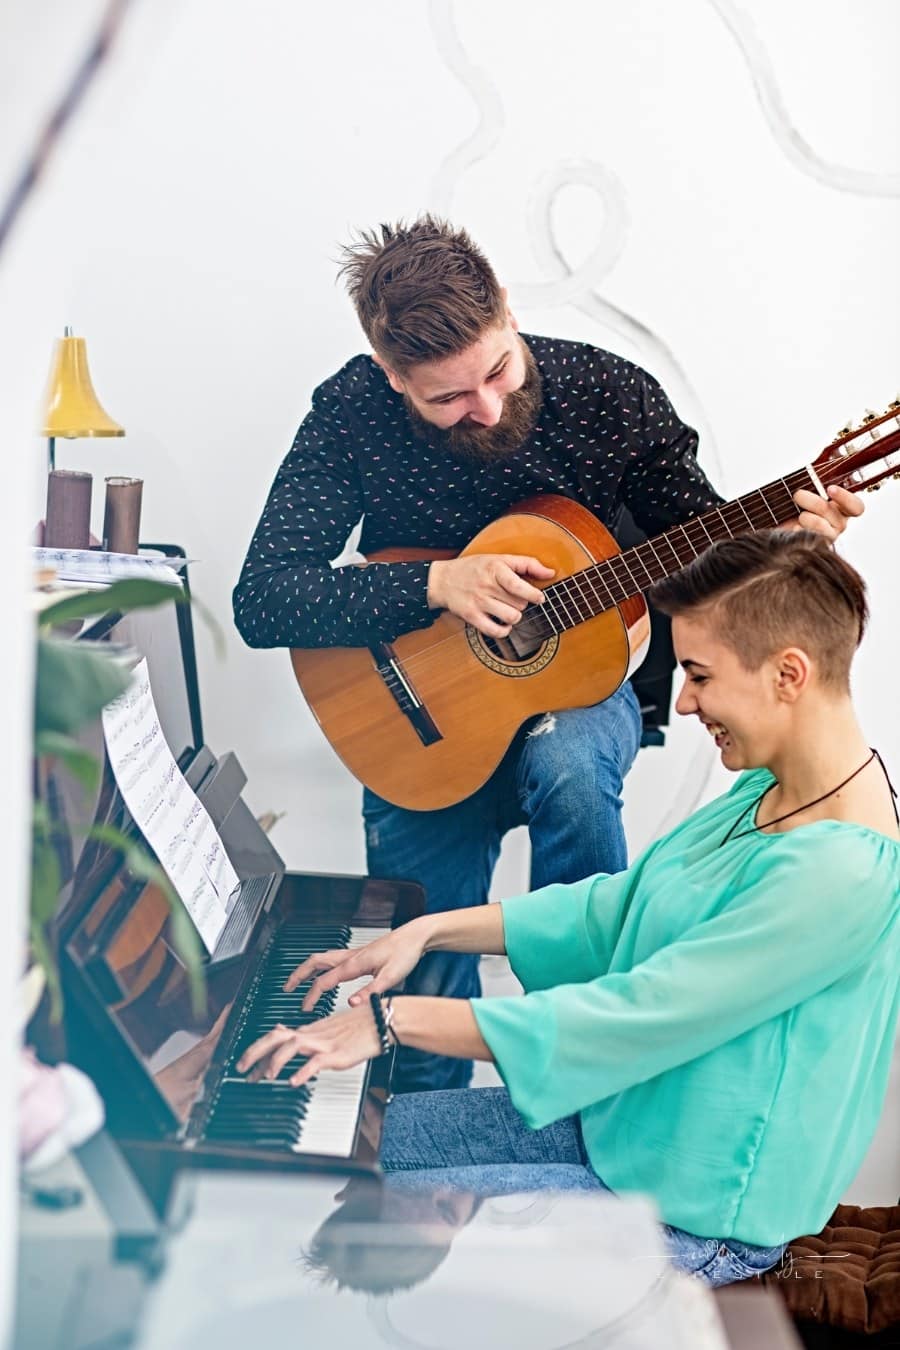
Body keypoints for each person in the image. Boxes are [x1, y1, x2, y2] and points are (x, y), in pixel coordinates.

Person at [233, 216, 862, 1093]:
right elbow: (264, 597)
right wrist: (436, 586)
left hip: (582, 691)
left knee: (567, 761)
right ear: (392, 378)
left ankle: (588, 1058)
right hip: (412, 720)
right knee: (417, 979)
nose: (484, 408)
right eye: (446, 398)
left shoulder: (611, 398)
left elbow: (705, 547)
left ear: (509, 313)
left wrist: (788, 543)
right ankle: (416, 1159)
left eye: (497, 370)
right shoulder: (352, 411)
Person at [236, 530, 899, 1288]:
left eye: (699, 676)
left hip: (691, 1215)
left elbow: (635, 1015)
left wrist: (390, 1022)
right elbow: (614, 908)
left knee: (389, 1248)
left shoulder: (839, 871)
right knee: (325, 1161)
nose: (681, 703)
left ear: (789, 674)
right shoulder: (771, 792)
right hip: (622, 1130)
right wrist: (428, 932)